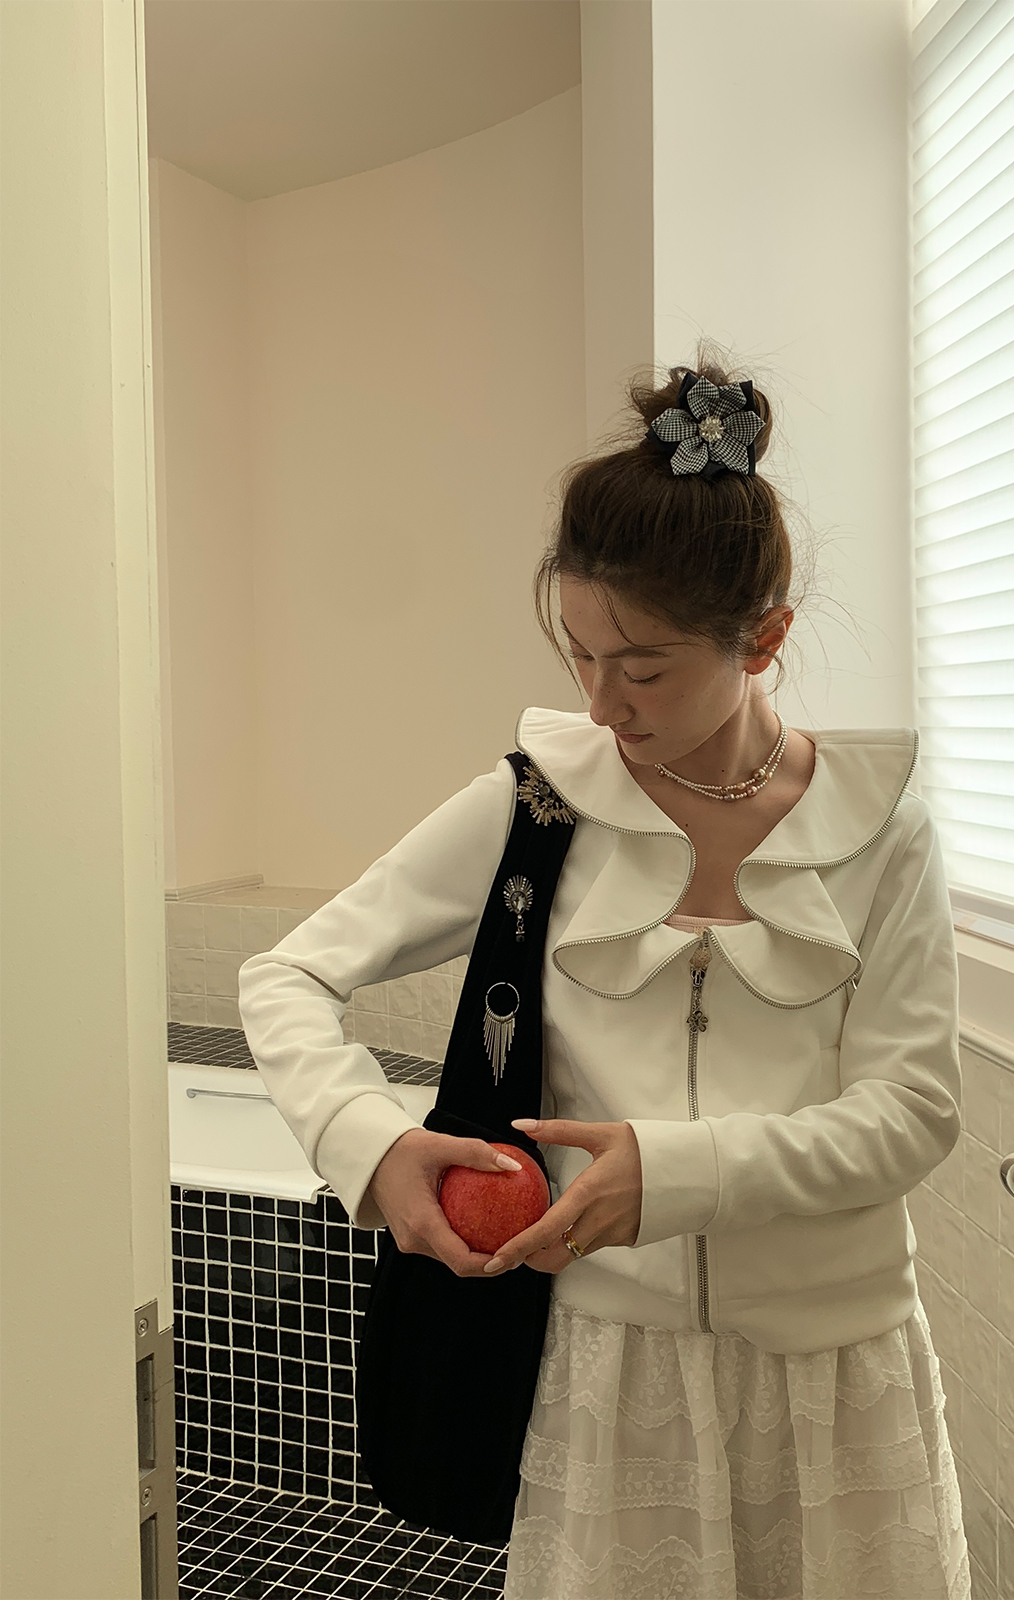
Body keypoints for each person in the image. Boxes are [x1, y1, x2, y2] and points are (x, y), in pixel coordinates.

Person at [238, 348, 970, 1601]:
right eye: (579, 654)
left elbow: (914, 1113)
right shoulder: (538, 805)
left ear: (765, 638)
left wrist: (678, 1173)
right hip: (610, 1376)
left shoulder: (881, 830)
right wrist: (368, 1143)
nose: (601, 702)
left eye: (644, 668)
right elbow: (286, 974)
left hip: (837, 1377)